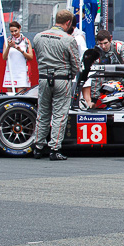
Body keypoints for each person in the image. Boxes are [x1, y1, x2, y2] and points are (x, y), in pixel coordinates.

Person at [31, 9, 80, 161]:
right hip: (62, 79)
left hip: (44, 78)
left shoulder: (38, 37)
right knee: (59, 115)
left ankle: (38, 147)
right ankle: (54, 149)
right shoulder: (68, 39)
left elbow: (37, 56)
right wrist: (70, 75)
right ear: (68, 23)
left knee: (43, 113)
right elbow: (76, 64)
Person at [2, 21, 33, 93]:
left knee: (20, 96)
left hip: (21, 72)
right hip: (10, 71)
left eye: (15, 31)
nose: (14, 33)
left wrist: (20, 50)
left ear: (19, 29)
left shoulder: (26, 41)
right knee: (10, 96)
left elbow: (31, 57)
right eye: (12, 32)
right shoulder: (7, 41)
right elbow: (4, 57)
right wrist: (8, 47)